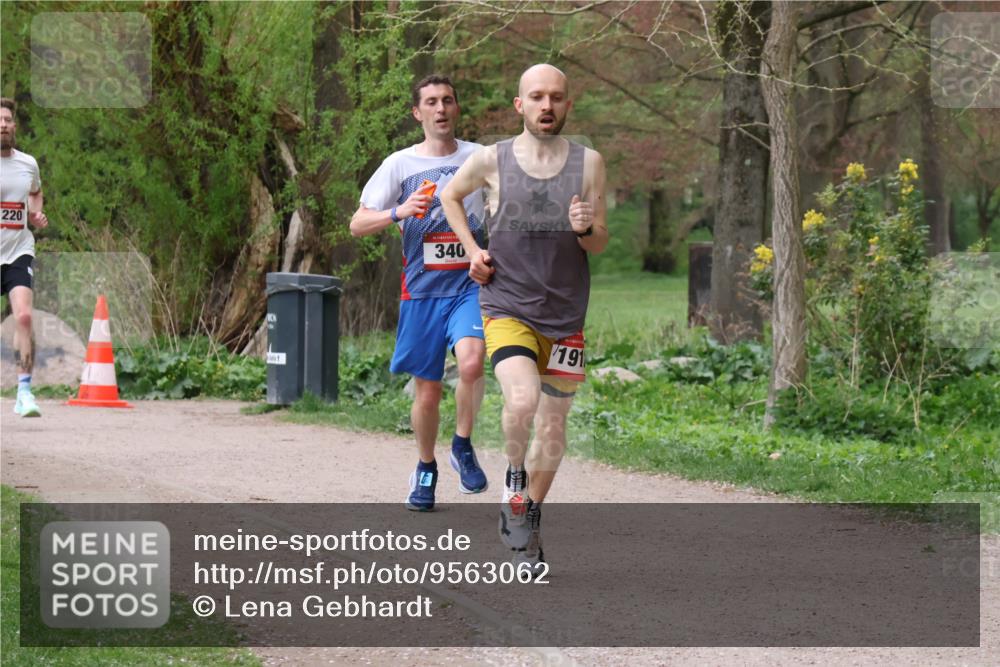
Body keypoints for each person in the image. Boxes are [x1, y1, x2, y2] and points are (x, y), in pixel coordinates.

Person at [441, 64, 608, 571]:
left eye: (556, 97)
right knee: (522, 397)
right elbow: (450, 196)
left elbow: (599, 242)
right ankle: (514, 477)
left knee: (553, 433)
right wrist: (472, 249)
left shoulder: (589, 163)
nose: (547, 106)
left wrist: (585, 228)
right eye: (537, 96)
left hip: (565, 314)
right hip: (506, 304)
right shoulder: (491, 159)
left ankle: (527, 520)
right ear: (520, 105)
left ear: (568, 105)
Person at [350, 75, 489, 511]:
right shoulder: (399, 165)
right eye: (431, 102)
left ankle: (462, 445)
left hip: (469, 286)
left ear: (457, 108)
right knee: (427, 393)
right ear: (418, 112)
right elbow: (357, 224)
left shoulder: (480, 158)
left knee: (471, 361)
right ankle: (425, 467)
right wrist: (398, 212)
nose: (441, 108)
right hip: (422, 292)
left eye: (448, 100)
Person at [1, 97, 48, 418]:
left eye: (7, 120)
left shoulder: (28, 163)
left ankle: (25, 392)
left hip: (19, 249)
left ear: (14, 126)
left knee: (24, 317)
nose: (2, 125)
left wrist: (36, 213)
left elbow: (34, 192)